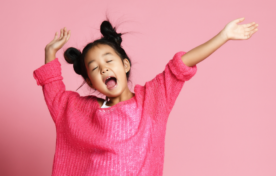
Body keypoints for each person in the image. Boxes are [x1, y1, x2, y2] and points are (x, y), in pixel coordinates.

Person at [33, 17, 258, 176]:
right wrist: (49, 53)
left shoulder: (152, 100)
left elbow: (181, 65)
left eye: (109, 61)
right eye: (94, 67)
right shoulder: (82, 112)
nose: (103, 68)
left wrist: (223, 36)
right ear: (91, 82)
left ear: (125, 64)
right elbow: (56, 97)